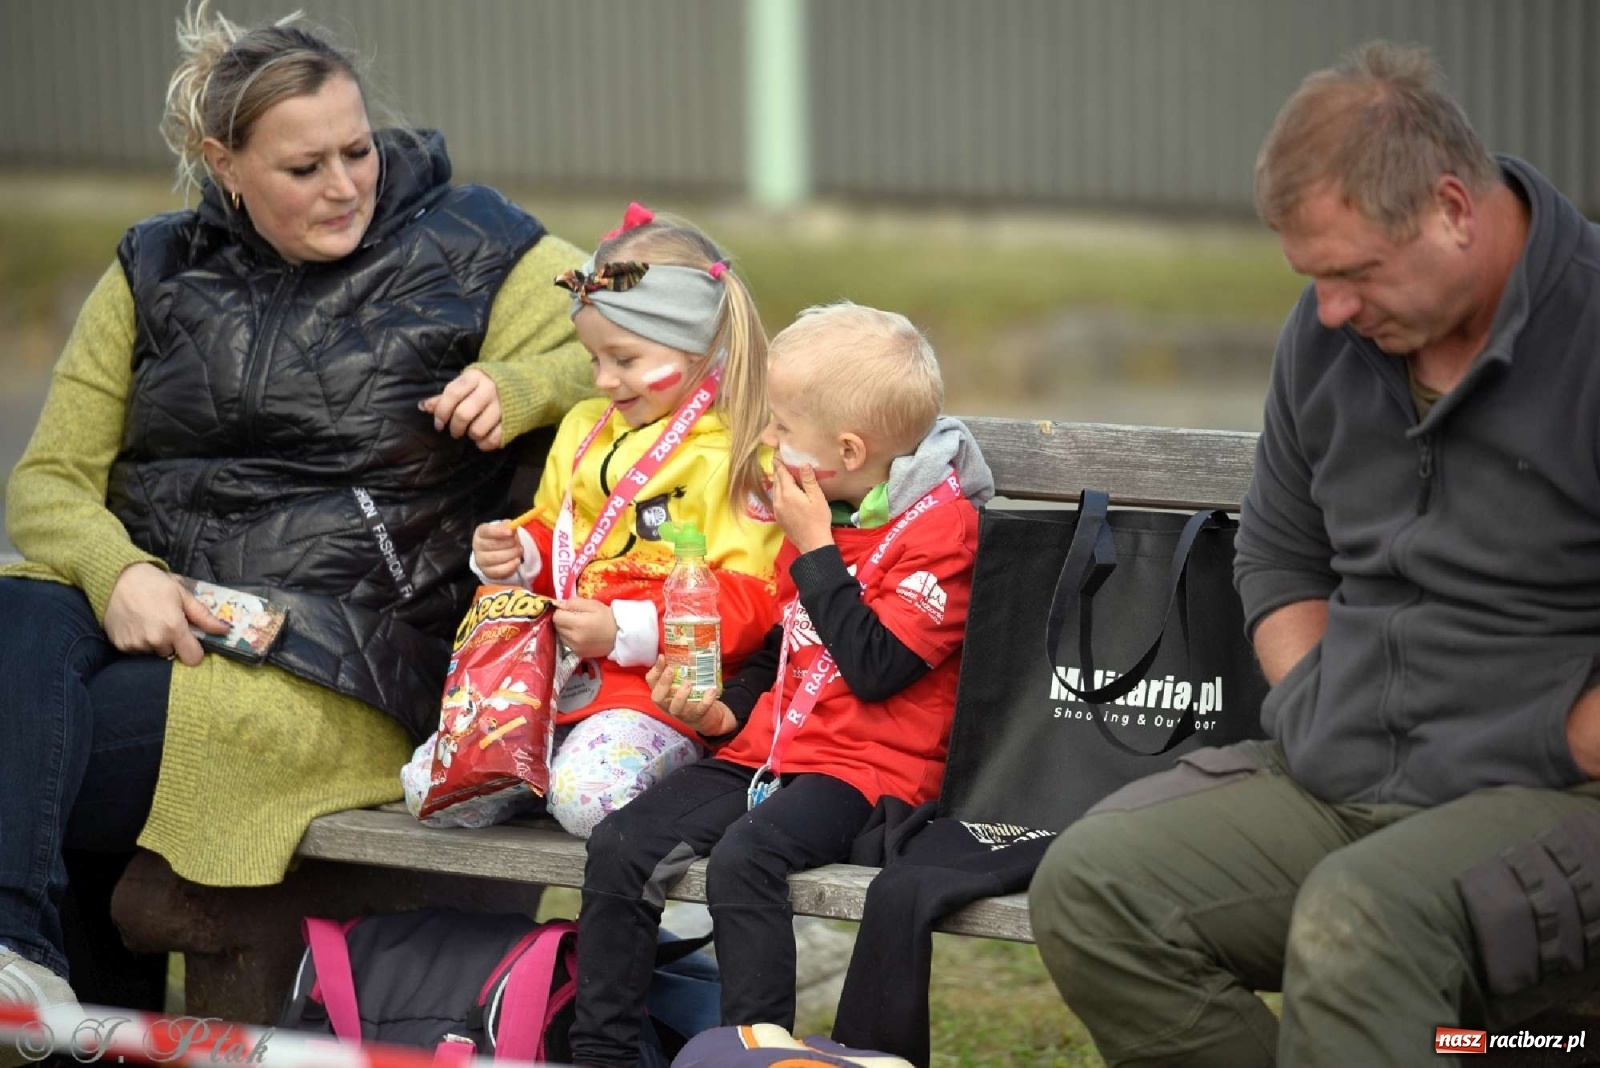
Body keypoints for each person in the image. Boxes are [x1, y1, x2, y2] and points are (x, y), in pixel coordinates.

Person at [0, 2, 593, 1023]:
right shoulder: (152, 265)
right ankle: (21, 959)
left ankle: (31, 967)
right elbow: (48, 482)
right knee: (19, 613)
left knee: (46, 743)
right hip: (149, 617)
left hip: (333, 658)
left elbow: (671, 305)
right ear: (223, 163)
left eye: (357, 151)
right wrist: (121, 572)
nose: (345, 185)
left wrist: (531, 381)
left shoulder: (482, 241)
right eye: (303, 167)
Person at [1027, 39, 1600, 1067]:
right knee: (1093, 888)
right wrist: (1315, 698)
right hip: (1349, 777)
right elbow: (1281, 553)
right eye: (1313, 278)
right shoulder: (1330, 335)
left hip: (1555, 798)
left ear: (1452, 210)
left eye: (1355, 274)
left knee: (1360, 921)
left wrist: (1564, 738)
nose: (1330, 310)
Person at [567, 302, 996, 1068]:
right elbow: (782, 645)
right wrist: (724, 713)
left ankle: (751, 1055)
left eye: (780, 425)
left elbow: (877, 668)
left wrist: (816, 549)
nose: (764, 438)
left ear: (848, 449)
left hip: (868, 773)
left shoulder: (941, 531)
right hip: (770, 752)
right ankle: (604, 1054)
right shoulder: (825, 507)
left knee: (746, 859)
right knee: (623, 841)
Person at [468, 205, 784, 839]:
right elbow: (562, 536)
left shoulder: (742, 451)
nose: (604, 380)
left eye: (625, 358)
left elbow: (756, 604)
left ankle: (662, 775)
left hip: (663, 699)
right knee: (443, 791)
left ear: (698, 343)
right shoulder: (585, 428)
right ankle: (547, 773)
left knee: (586, 801)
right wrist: (519, 555)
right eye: (593, 359)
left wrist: (625, 631)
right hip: (553, 686)